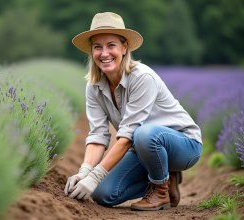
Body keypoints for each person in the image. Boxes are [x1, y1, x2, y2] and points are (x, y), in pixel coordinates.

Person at [64, 12, 202, 211]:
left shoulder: (142, 77)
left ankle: (161, 191)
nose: (104, 53)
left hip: (184, 145)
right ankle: (166, 177)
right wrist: (85, 172)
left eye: (111, 45)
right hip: (143, 148)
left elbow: (128, 135)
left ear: (124, 47)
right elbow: (98, 135)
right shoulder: (93, 87)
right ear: (91, 52)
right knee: (102, 193)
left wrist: (96, 175)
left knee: (143, 133)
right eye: (97, 47)